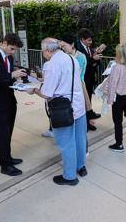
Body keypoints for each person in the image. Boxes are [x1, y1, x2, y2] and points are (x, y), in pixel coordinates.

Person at [29, 38, 87, 186]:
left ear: (48, 50)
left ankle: (69, 176)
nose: (43, 55)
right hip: (78, 106)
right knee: (79, 139)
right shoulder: (71, 58)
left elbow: (47, 93)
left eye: (43, 52)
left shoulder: (51, 64)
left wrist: (34, 90)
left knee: (66, 142)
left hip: (64, 109)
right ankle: (81, 167)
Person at [0, 33, 26, 176]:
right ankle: (5, 165)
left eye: (15, 50)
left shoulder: (9, 57)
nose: (13, 52)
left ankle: (6, 157)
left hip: (9, 99)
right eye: (12, 49)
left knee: (8, 132)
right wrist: (11, 76)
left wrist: (17, 81)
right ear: (5, 43)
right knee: (2, 134)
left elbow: (7, 78)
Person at [78, 28, 102, 131]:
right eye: (88, 40)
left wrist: (96, 59)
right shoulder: (78, 49)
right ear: (82, 39)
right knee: (83, 101)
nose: (90, 42)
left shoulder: (90, 48)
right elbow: (84, 64)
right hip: (83, 79)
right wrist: (93, 59)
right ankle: (85, 123)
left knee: (88, 100)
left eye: (91, 40)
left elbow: (93, 62)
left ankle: (88, 118)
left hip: (91, 78)